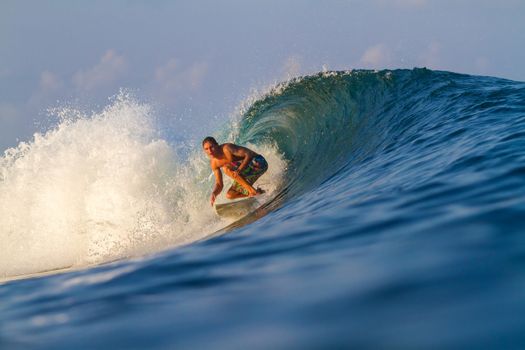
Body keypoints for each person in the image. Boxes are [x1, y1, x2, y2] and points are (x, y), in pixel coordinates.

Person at [202, 136, 268, 206]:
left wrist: (240, 169)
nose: (210, 151)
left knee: (225, 168)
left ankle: (253, 192)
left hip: (259, 163)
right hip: (247, 171)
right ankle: (259, 193)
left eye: (211, 147)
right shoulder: (214, 163)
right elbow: (219, 184)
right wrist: (214, 193)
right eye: (206, 149)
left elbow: (248, 154)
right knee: (230, 195)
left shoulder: (227, 148)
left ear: (217, 145)